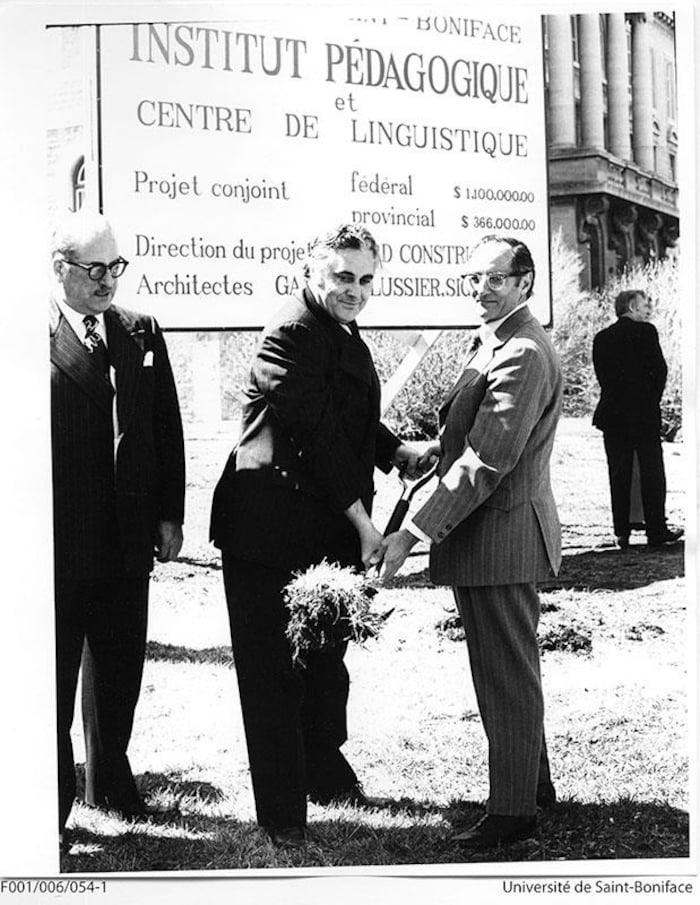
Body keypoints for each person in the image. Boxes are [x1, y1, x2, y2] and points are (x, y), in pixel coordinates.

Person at [210, 224, 420, 847]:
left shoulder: (339, 327)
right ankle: (282, 816)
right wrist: (364, 524)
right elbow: (315, 431)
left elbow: (348, 417)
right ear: (311, 270)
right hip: (268, 531)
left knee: (326, 660)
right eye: (343, 278)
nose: (355, 291)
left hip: (320, 527)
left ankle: (323, 773)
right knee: (273, 674)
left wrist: (395, 451)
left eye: (365, 280)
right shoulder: (293, 328)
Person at [373, 235, 562, 849]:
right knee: (509, 668)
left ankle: (512, 815)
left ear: (526, 283)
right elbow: (473, 439)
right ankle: (531, 787)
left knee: (504, 674)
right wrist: (434, 451)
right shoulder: (497, 341)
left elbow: (487, 461)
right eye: (472, 279)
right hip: (494, 535)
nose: (479, 289)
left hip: (502, 536)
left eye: (494, 279)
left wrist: (411, 533)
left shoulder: (523, 351)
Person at [50, 213, 185, 851]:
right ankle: (50, 800)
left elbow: (166, 430)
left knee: (120, 664)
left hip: (129, 536)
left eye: (115, 268)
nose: (107, 281)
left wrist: (169, 515)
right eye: (94, 269)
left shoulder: (140, 331)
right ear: (61, 268)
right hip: (58, 538)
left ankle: (111, 779)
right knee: (51, 675)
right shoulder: (28, 333)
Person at [592, 289, 682, 549]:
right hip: (642, 414)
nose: (648, 310)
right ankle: (656, 530)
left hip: (613, 414)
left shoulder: (602, 338)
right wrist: (650, 399)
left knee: (619, 472)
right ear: (631, 306)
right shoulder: (647, 332)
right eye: (644, 305)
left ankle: (622, 532)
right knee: (652, 472)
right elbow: (660, 371)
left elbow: (603, 376)